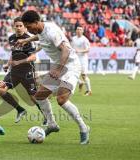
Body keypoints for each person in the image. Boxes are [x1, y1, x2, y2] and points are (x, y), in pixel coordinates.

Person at [16, 10, 90, 144]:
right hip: (59, 66)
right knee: (39, 96)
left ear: (36, 22)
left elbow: (66, 50)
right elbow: (40, 37)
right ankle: (51, 124)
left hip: (71, 66)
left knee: (62, 99)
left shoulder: (51, 31)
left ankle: (84, 128)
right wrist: (26, 39)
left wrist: (59, 69)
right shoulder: (41, 30)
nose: (28, 29)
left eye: (28, 26)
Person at [0, 17, 47, 125]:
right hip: (14, 71)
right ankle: (20, 110)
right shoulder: (11, 38)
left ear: (24, 27)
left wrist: (19, 62)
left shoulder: (29, 39)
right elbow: (13, 53)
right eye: (17, 26)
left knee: (33, 97)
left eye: (21, 26)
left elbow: (33, 57)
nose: (19, 28)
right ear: (14, 26)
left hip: (26, 71)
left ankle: (46, 115)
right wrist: (8, 64)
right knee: (2, 90)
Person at [71, 26, 92, 96]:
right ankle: (80, 82)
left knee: (84, 75)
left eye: (80, 29)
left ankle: (89, 91)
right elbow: (71, 48)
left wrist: (79, 51)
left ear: (82, 31)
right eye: (77, 29)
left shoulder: (84, 39)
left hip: (83, 59)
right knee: (72, 73)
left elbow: (88, 50)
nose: (78, 30)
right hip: (75, 58)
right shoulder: (73, 39)